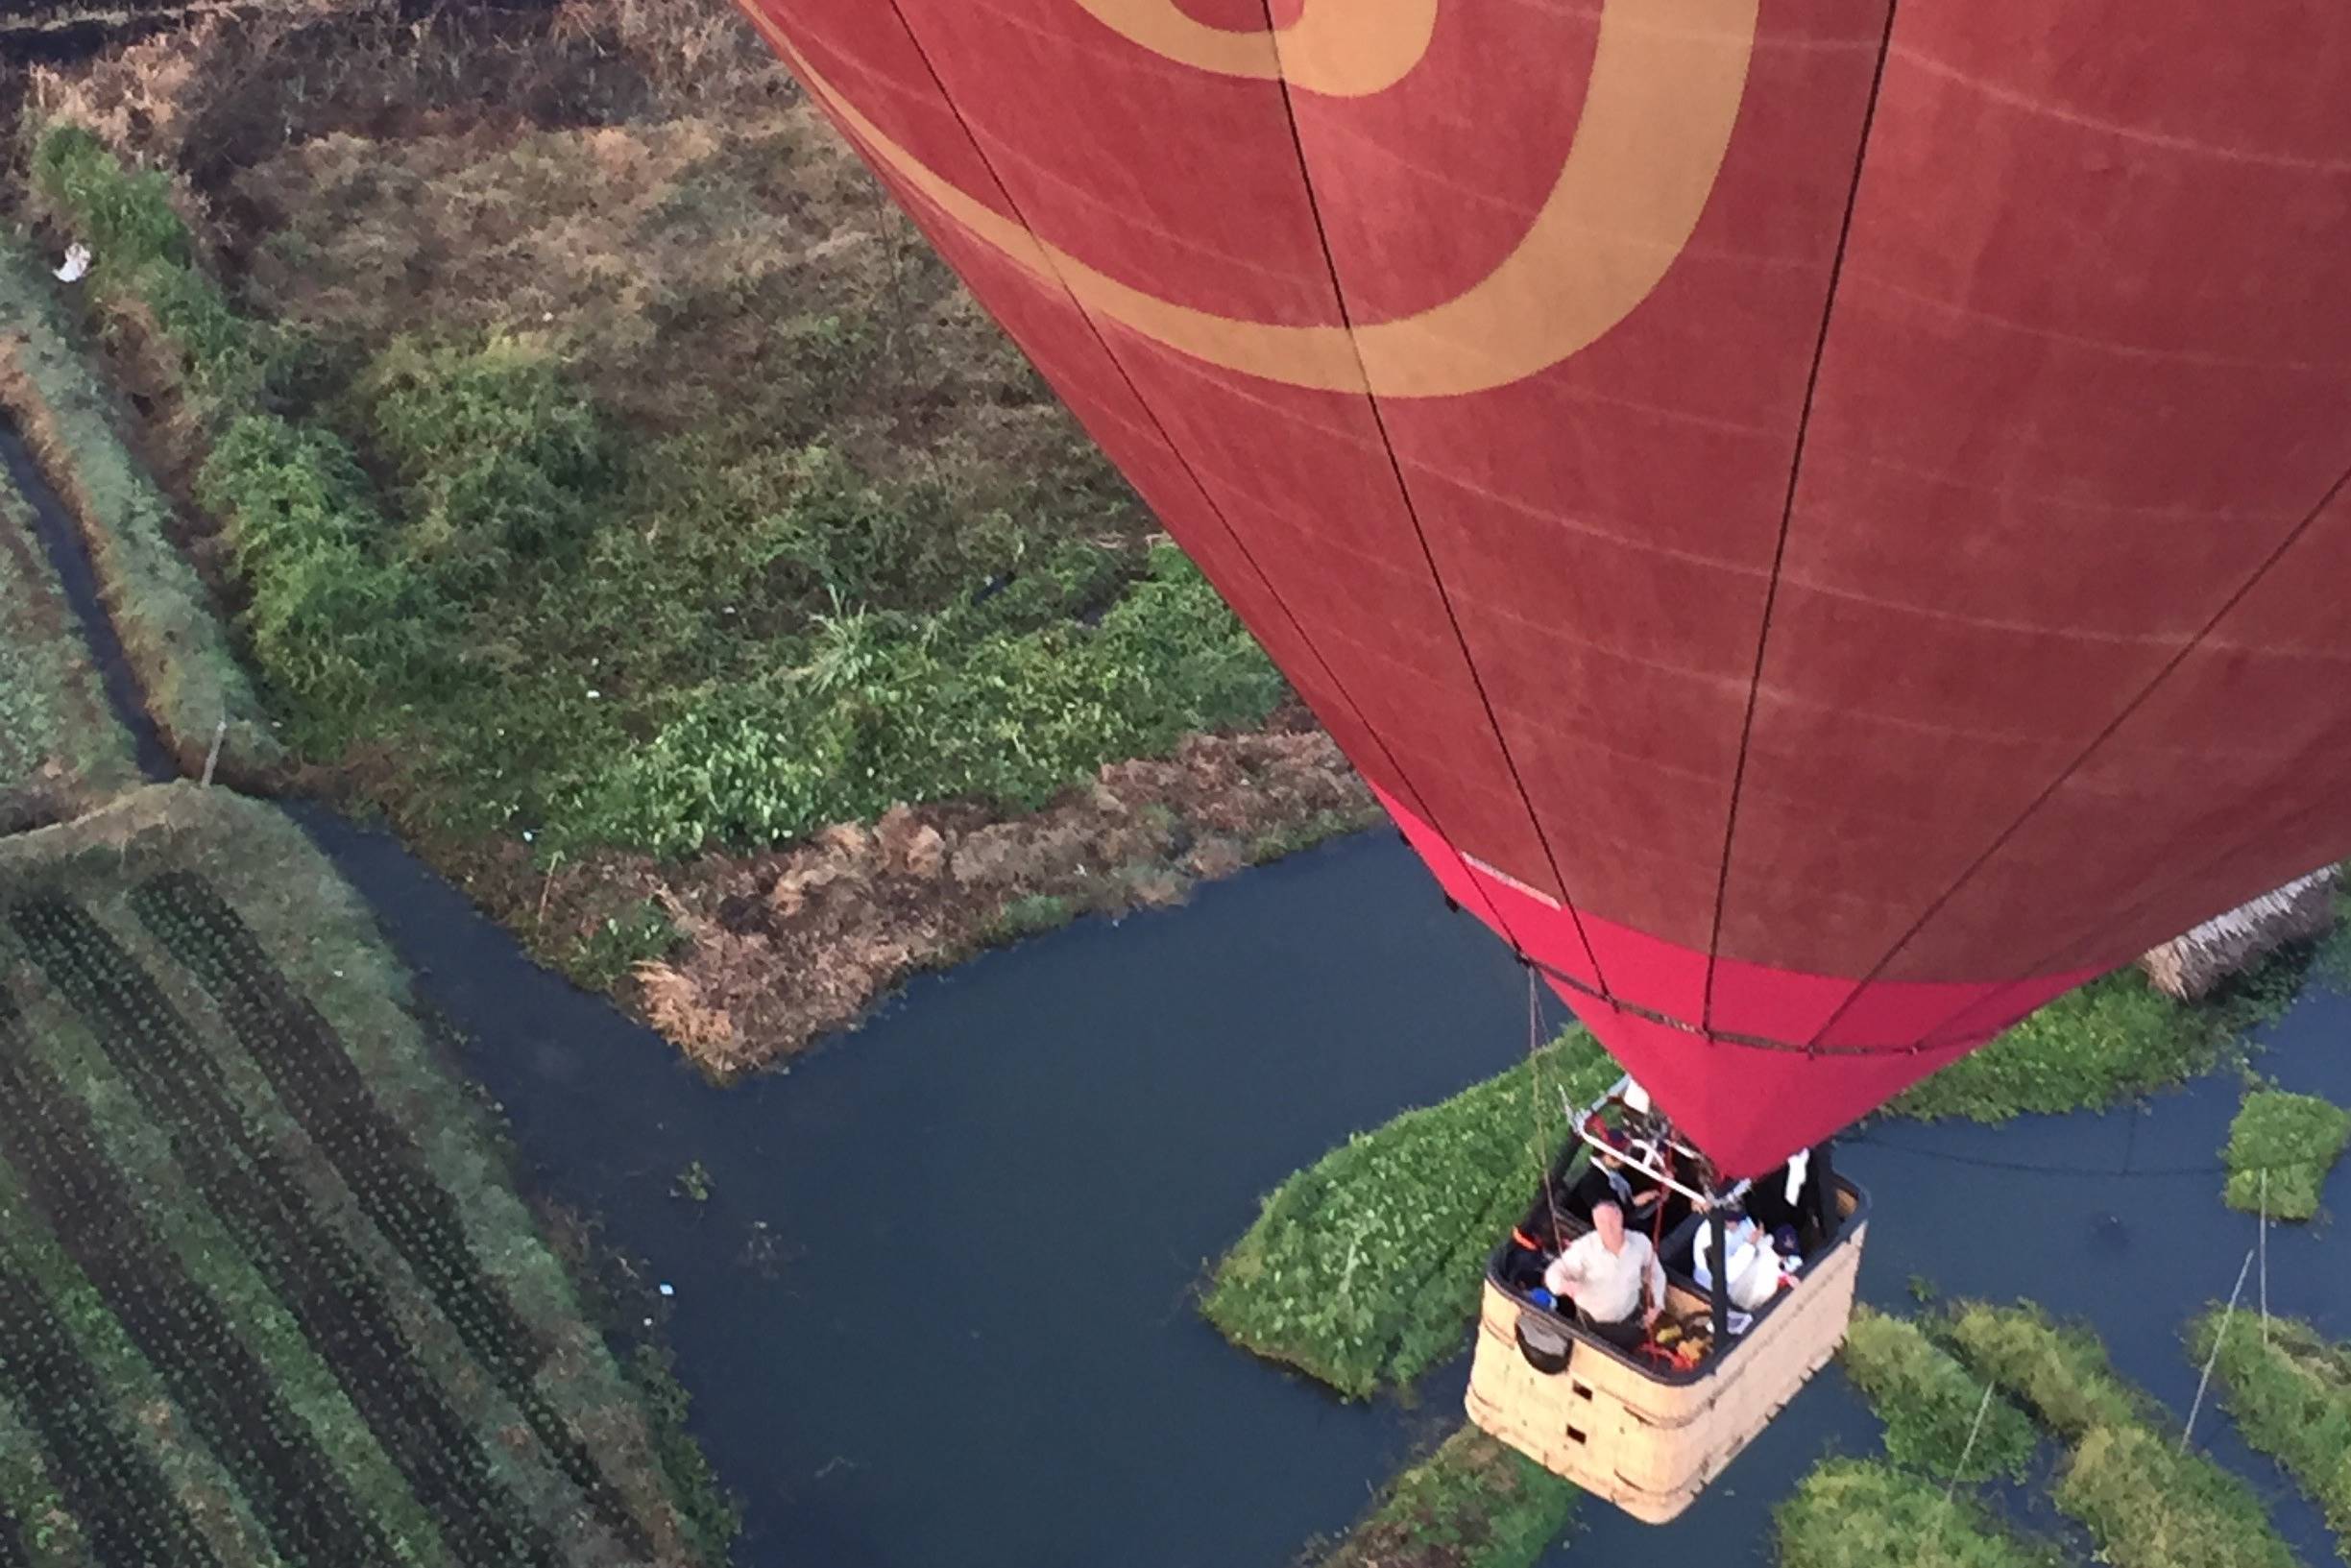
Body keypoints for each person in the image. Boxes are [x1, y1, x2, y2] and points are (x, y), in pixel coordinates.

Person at [1542, 1200, 1665, 1350]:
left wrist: (1658, 1304)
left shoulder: (1640, 1243)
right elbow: (1553, 1272)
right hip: (1592, 1324)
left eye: (1611, 1220)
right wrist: (1563, 1285)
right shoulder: (1584, 1249)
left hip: (1631, 1317)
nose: (1608, 1227)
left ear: (1620, 1217)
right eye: (1601, 1222)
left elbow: (1656, 1274)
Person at [1693, 1211, 1783, 1312]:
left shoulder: (1740, 1224)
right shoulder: (1706, 1240)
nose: (1738, 1224)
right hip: (1712, 1292)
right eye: (1733, 1220)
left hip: (1738, 1283)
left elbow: (1757, 1242)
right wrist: (1750, 1245)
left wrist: (1759, 1238)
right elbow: (1728, 1274)